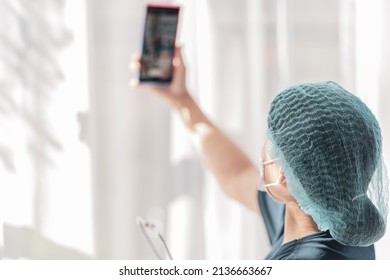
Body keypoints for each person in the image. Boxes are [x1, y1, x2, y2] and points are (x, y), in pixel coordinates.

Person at [130, 46, 389, 260]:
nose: (266, 145)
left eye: (273, 140)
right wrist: (182, 100)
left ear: (285, 177)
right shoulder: (338, 218)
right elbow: (236, 175)